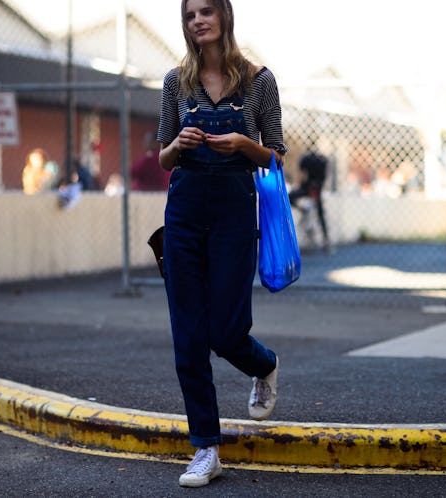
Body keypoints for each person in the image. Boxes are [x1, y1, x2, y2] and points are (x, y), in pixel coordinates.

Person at [157, 0, 286, 488]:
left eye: (207, 11)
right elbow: (164, 157)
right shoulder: (175, 82)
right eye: (190, 15)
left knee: (227, 332)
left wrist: (244, 145)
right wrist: (179, 146)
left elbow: (276, 154)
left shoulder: (259, 80)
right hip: (184, 217)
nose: (198, 21)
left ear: (225, 16)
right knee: (188, 338)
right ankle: (206, 448)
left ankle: (264, 364)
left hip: (234, 214)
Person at [289, 147, 331, 251]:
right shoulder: (319, 160)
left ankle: (325, 240)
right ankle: (325, 240)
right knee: (319, 213)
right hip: (311, 189)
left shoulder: (312, 160)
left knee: (319, 213)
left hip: (313, 189)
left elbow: (303, 176)